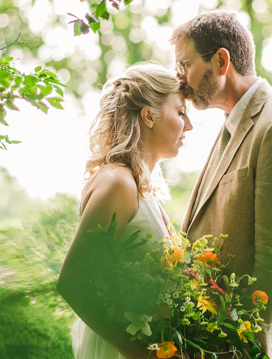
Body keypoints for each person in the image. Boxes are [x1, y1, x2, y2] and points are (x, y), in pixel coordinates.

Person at [172, 11, 272, 359]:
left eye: (183, 64)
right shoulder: (230, 127)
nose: (179, 79)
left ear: (221, 61)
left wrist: (252, 352)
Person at [57, 62, 193, 359]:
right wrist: (141, 354)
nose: (189, 125)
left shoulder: (144, 191)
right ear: (148, 116)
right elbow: (73, 281)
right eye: (181, 112)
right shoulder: (118, 183)